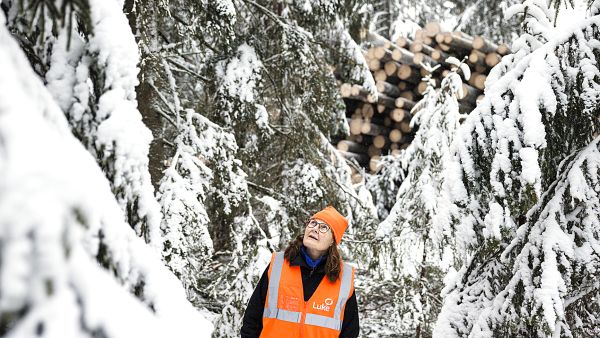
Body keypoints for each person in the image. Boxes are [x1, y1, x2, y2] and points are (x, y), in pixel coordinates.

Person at [241, 206, 359, 338]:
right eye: (313, 223)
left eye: (324, 227)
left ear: (333, 240)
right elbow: (252, 320)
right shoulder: (278, 265)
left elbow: (350, 332)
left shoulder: (344, 279)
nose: (315, 228)